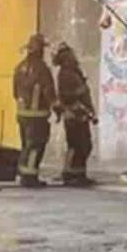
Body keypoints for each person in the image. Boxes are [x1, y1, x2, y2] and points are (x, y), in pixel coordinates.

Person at [52, 42, 98, 187]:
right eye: (69, 54)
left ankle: (79, 174)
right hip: (73, 114)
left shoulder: (73, 72)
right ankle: (71, 175)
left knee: (83, 145)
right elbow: (67, 95)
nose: (73, 56)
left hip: (80, 113)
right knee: (77, 144)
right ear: (65, 57)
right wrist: (78, 105)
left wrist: (89, 110)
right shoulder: (66, 74)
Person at [13, 33, 55, 188]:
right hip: (38, 116)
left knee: (27, 145)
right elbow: (48, 91)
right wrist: (56, 106)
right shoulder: (42, 69)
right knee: (36, 145)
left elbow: (15, 93)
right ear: (40, 50)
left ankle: (24, 174)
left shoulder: (19, 67)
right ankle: (30, 177)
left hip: (22, 114)